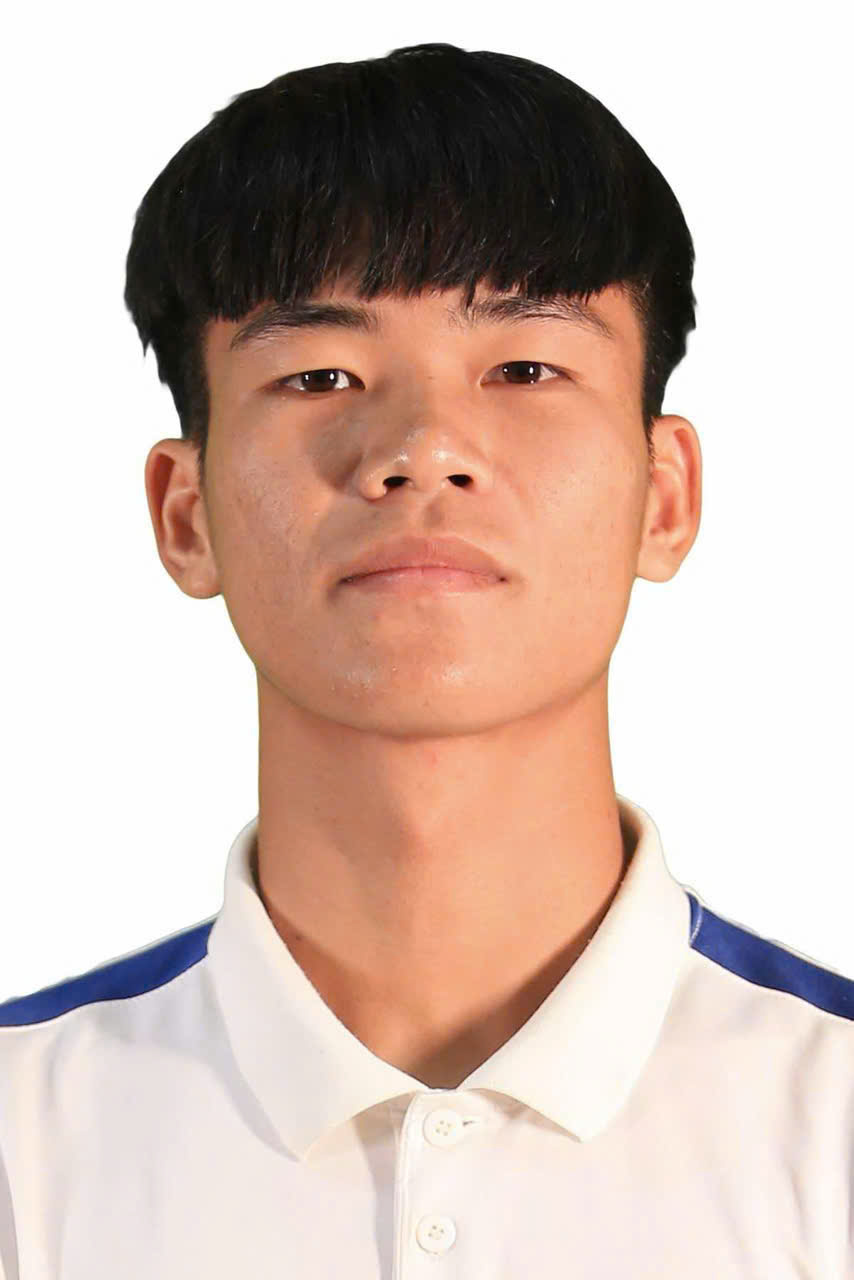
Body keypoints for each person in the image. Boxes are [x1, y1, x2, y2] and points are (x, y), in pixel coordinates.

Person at [1, 41, 851, 1280]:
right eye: (319, 374)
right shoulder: (25, 1143)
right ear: (185, 515)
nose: (421, 448)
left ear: (663, 495)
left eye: (523, 367)